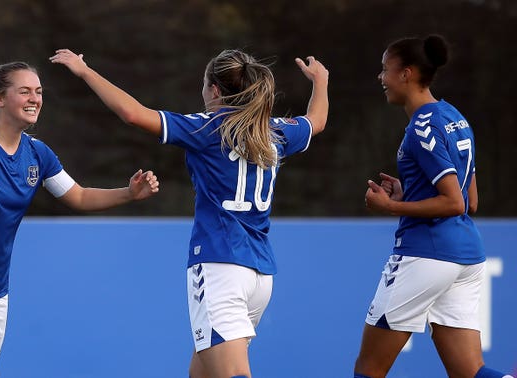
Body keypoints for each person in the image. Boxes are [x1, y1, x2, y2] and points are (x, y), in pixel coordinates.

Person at [50, 48, 328, 378]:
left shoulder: (207, 129)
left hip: (219, 266)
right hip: (259, 275)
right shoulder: (275, 131)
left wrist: (84, 71)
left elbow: (132, 113)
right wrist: (321, 82)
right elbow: (317, 121)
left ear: (214, 90)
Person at [0, 61, 160, 378]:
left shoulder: (38, 154)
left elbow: (79, 196)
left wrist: (129, 194)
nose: (34, 98)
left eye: (38, 91)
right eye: (24, 91)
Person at [354, 35, 513, 378]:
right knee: (470, 372)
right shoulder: (455, 117)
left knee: (368, 371)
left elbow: (454, 202)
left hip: (425, 255)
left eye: (385, 70)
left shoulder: (422, 126)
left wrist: (390, 208)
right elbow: (471, 200)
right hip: (467, 257)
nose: (381, 78)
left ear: (406, 74)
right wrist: (408, 193)